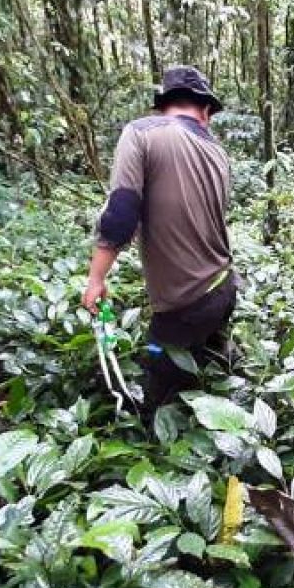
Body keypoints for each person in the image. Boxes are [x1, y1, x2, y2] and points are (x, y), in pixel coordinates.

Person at [82, 65, 238, 413]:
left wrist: (96, 279)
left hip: (184, 307)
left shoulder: (141, 133)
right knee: (212, 378)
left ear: (162, 105)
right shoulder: (218, 153)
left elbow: (121, 212)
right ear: (206, 110)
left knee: (160, 404)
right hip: (225, 288)